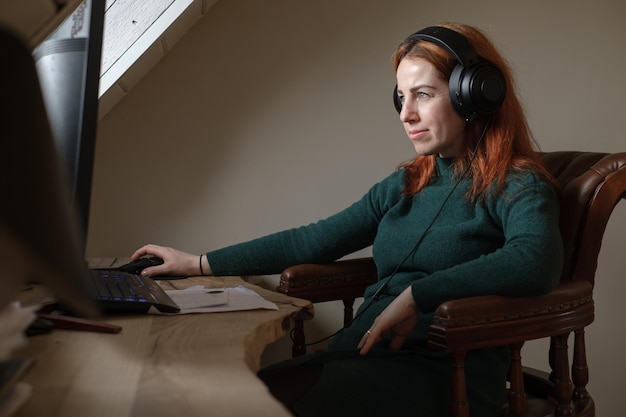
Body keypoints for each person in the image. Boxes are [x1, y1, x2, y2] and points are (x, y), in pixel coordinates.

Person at [132, 22, 563, 417]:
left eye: (423, 94)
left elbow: (534, 259)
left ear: (476, 93)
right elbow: (314, 241)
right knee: (224, 397)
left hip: (443, 377)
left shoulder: (517, 183)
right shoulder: (404, 184)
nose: (405, 114)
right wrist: (197, 263)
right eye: (402, 96)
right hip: (359, 355)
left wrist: (419, 295)